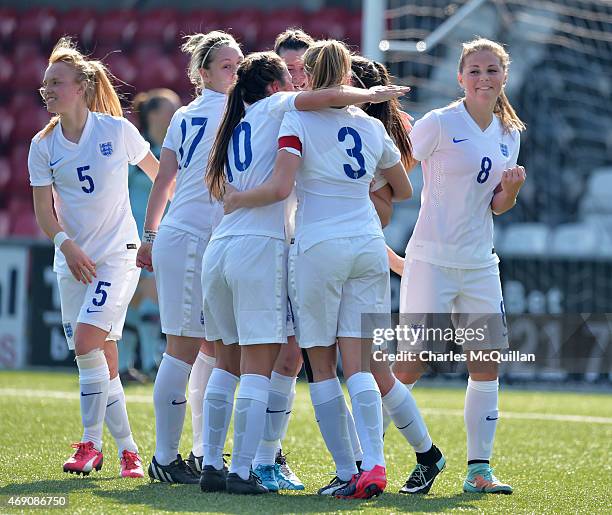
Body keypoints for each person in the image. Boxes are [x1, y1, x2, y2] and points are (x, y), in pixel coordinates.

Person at [201, 49, 410, 495]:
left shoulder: (236, 122)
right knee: (264, 367)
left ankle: (211, 463)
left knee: (225, 365)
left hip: (219, 249)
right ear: (276, 87)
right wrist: (373, 94)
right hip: (261, 247)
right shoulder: (284, 109)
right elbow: (286, 176)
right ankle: (244, 471)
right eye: (289, 79)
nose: (298, 87)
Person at [389, 38, 526, 495]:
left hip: (480, 263)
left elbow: (498, 206)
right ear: (460, 77)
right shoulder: (439, 123)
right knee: (410, 367)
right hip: (430, 261)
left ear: (504, 76)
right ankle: (362, 457)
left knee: (486, 365)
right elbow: (396, 169)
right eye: (475, 70)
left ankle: (479, 471)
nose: (484, 78)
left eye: (492, 70)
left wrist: (512, 190)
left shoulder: (510, 132)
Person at [28, 37, 159, 478]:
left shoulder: (116, 130)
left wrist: (159, 230)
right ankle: (127, 451)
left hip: (117, 257)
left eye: (56, 83)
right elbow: (44, 213)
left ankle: (88, 444)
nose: (47, 91)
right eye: (45, 84)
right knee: (102, 358)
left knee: (87, 343)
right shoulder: (42, 145)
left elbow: (161, 177)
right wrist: (67, 246)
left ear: (81, 87)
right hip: (72, 260)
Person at [135, 31, 243, 484]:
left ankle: (203, 451)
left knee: (214, 349)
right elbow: (165, 182)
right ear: (202, 74)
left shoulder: (184, 113)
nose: (236, 74)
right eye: (227, 67)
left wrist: (150, 235)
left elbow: (165, 180)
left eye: (239, 65)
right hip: (192, 235)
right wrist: (150, 235)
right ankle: (164, 457)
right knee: (183, 349)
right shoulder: (235, 111)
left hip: (202, 236)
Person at [350, 54, 448, 496]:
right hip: (315, 252)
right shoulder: (314, 117)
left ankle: (377, 462)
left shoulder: (376, 134)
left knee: (373, 367)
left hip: (349, 255)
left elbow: (383, 210)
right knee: (298, 359)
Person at [121, 88, 181, 382]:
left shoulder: (175, 152)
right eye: (171, 109)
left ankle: (132, 364)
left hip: (164, 233)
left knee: (144, 297)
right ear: (154, 114)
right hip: (135, 233)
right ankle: (146, 361)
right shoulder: (137, 154)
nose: (177, 113)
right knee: (141, 296)